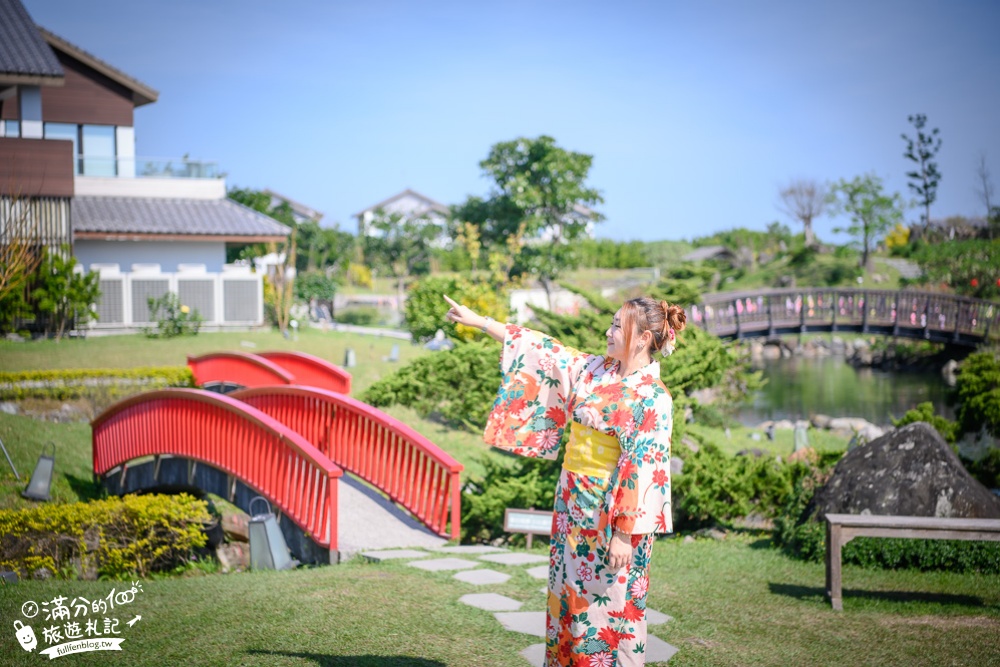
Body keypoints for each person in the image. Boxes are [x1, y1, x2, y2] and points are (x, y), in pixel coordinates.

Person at [443, 295, 686, 667]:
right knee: (567, 598)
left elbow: (645, 466)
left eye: (618, 325)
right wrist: (481, 323)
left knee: (606, 605)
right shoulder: (595, 370)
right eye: (612, 322)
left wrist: (624, 532)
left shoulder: (653, 397)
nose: (608, 331)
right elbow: (546, 351)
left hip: (614, 515)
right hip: (572, 503)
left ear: (643, 338)